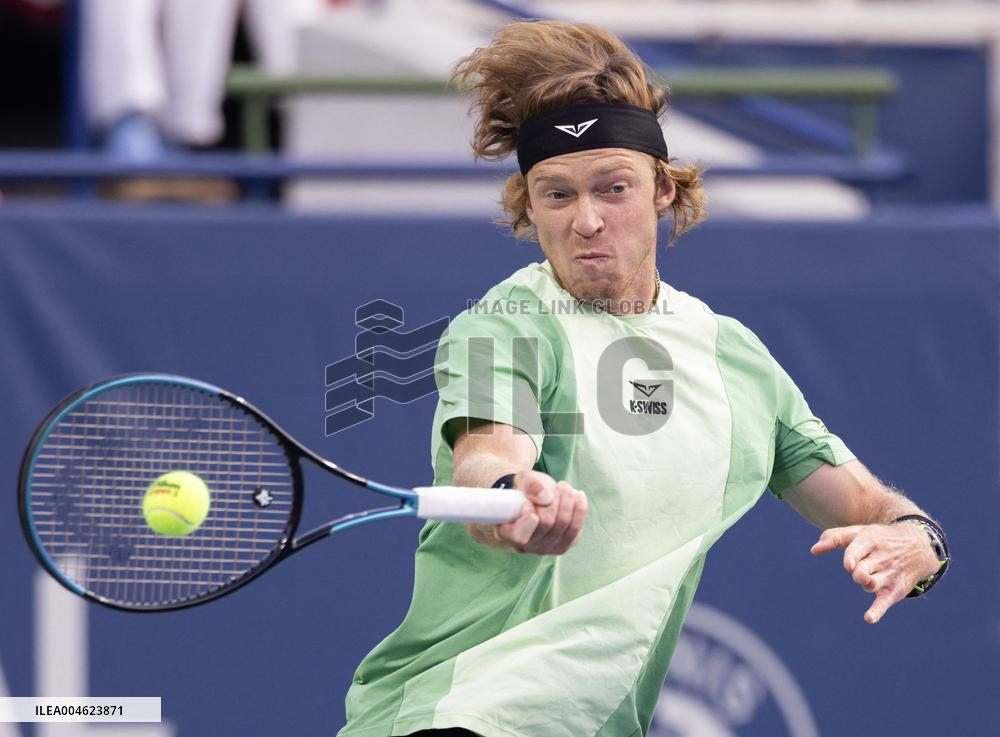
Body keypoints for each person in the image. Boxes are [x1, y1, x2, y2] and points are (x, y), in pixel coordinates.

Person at [337, 19, 949, 737]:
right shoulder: (504, 324)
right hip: (456, 716)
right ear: (529, 207)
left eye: (613, 187)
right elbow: (485, 458)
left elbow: (871, 508)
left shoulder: (735, 361)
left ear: (662, 187)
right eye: (557, 194)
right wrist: (511, 497)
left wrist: (918, 541)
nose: (587, 219)